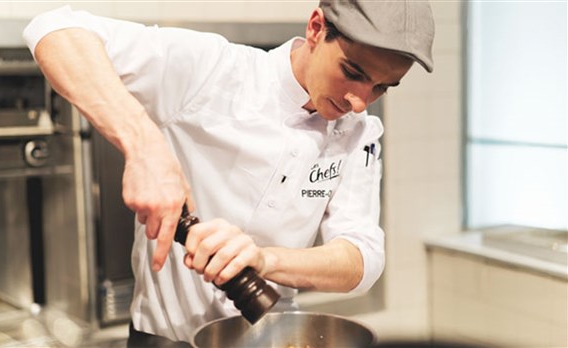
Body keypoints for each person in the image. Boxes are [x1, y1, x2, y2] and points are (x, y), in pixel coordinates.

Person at [23, 0, 434, 344]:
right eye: (354, 72)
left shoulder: (358, 133)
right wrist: (144, 145)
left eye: (382, 87)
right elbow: (54, 30)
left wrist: (264, 260)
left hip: (270, 337)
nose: (361, 101)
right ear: (315, 27)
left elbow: (362, 259)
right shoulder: (216, 72)